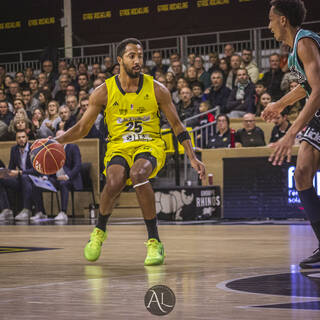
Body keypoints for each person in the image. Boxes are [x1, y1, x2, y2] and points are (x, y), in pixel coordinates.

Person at [52, 38, 205, 265]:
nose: (137, 61)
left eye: (140, 56)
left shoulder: (157, 90)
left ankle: (154, 241)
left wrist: (192, 157)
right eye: (132, 56)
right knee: (113, 182)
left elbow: (177, 125)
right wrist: (58, 141)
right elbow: (83, 128)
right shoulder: (103, 92)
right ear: (120, 60)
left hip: (150, 144)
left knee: (138, 174)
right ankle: (99, 232)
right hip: (119, 146)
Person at [262, 0, 320, 268]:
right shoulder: (297, 46)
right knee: (302, 173)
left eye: (271, 19)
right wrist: (280, 104)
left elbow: (318, 90)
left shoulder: (304, 43)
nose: (269, 24)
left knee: (303, 172)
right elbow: (307, 87)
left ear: (283, 20)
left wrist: (291, 132)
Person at [49, 131, 83, 222]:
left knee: (63, 183)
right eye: (57, 138)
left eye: (61, 136)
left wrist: (67, 176)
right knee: (39, 183)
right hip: (56, 178)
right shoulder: (53, 150)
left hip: (70, 179)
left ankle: (63, 212)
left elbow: (78, 166)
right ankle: (40, 212)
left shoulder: (73, 147)